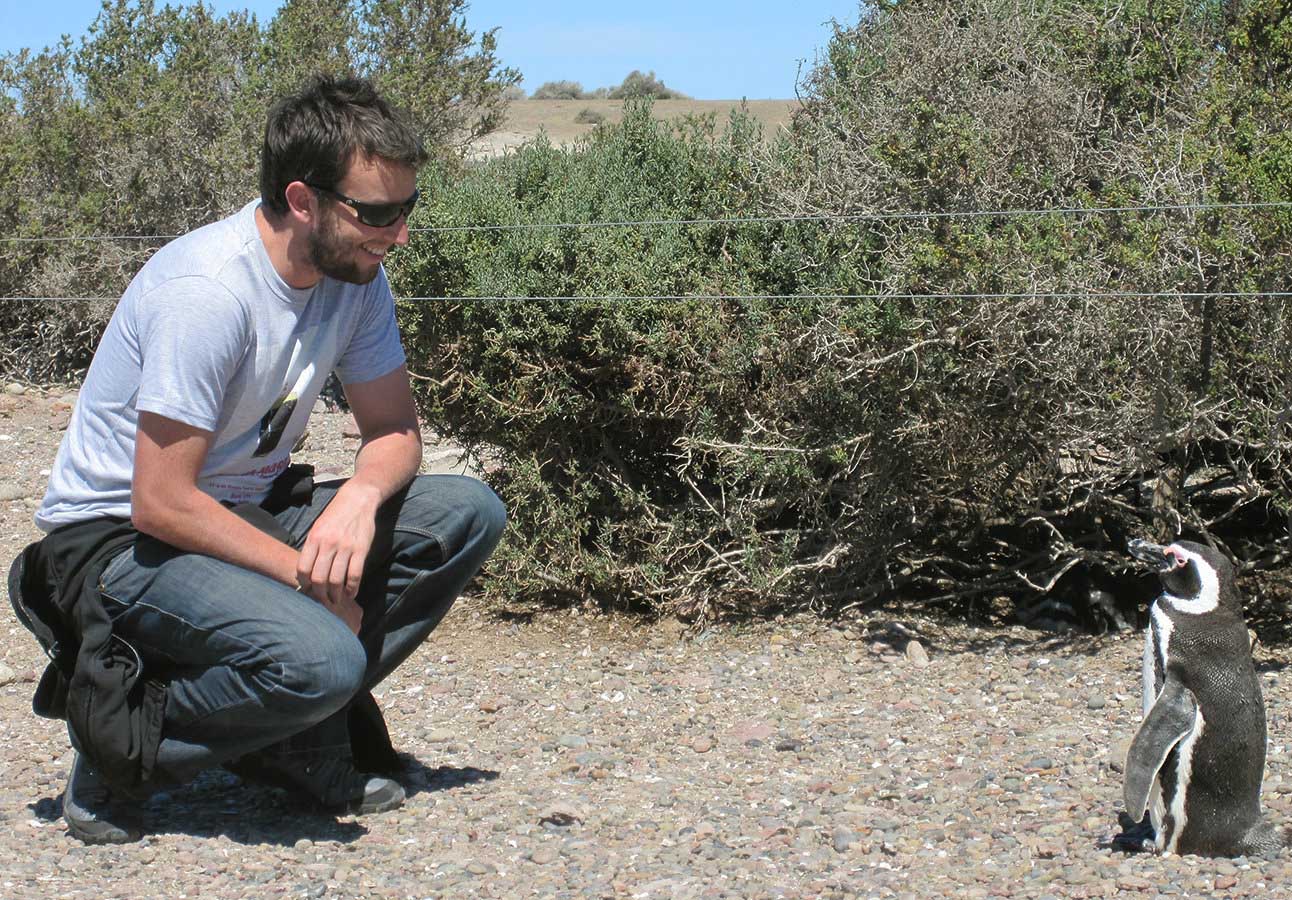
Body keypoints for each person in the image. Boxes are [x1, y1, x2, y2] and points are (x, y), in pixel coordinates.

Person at [16, 75, 506, 844]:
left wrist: (355, 505)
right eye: (376, 213)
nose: (399, 234)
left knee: (466, 513)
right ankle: (117, 738)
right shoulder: (208, 293)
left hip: (248, 507)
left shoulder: (357, 279)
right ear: (303, 200)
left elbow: (395, 432)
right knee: (322, 659)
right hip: (116, 540)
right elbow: (161, 502)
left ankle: (285, 733)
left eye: (407, 209)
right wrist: (309, 580)